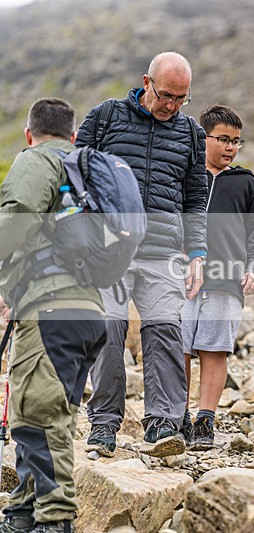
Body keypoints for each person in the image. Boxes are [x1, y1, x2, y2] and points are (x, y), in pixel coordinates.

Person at [76, 52, 207, 458]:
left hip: (164, 250)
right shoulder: (106, 117)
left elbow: (195, 197)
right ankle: (104, 424)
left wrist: (198, 252)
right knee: (109, 331)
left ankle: (164, 425)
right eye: (166, 95)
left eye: (181, 99)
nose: (171, 106)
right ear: (145, 82)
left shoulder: (191, 133)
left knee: (166, 331)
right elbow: (73, 173)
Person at [0, 98, 107, 533]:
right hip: (90, 312)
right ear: (74, 135)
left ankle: (54, 519)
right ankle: (23, 515)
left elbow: (17, 217)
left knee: (38, 416)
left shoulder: (37, 159)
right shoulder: (90, 169)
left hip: (49, 309)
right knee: (42, 415)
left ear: (30, 134)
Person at [182, 105, 254, 450]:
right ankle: (175, 415)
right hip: (183, 277)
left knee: (214, 349)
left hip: (227, 279)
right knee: (179, 348)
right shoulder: (185, 176)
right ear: (204, 138)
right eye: (224, 139)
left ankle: (205, 419)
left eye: (236, 141)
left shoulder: (244, 182)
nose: (231, 147)